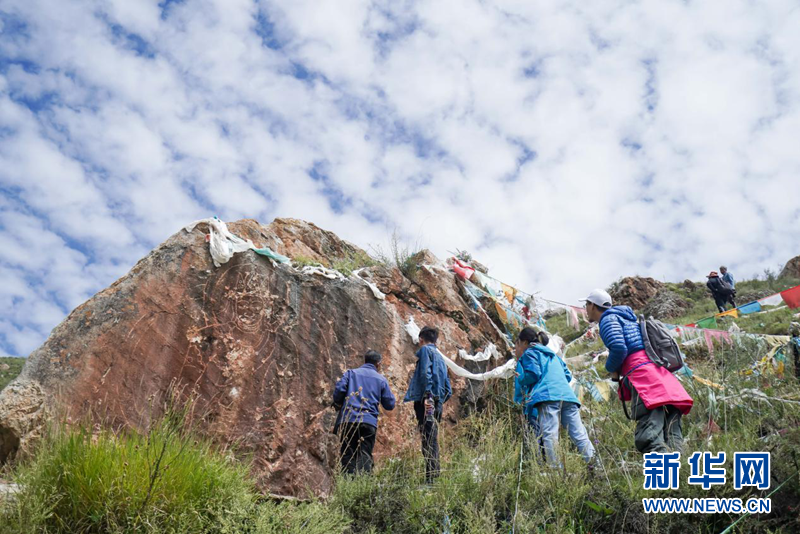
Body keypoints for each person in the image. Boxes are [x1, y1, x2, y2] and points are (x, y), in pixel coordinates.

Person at [583, 289, 693, 454]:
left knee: (650, 436)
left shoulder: (607, 320)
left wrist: (610, 368)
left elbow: (619, 347)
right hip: (660, 376)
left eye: (586, 304)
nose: (585, 308)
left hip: (644, 379)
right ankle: (680, 472)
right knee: (672, 433)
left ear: (592, 305)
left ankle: (661, 475)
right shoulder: (627, 319)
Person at [515, 326, 595, 467]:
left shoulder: (530, 353)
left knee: (550, 435)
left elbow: (533, 374)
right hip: (567, 396)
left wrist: (520, 377)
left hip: (548, 396)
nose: (518, 348)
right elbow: (568, 376)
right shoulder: (553, 355)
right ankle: (596, 465)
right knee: (579, 434)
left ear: (525, 343)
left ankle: (556, 472)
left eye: (518, 343)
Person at [333, 350, 396, 474]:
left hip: (348, 419)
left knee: (348, 454)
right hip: (368, 422)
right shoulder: (381, 379)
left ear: (365, 361)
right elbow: (390, 404)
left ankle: (348, 486)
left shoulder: (351, 373)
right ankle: (363, 485)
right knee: (364, 454)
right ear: (378, 364)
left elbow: (339, 390)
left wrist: (339, 402)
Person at [403, 326, 452, 483]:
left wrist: (428, 397)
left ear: (422, 340)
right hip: (436, 404)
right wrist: (438, 401)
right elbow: (448, 390)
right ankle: (433, 478)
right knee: (432, 438)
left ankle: (431, 480)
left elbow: (425, 373)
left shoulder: (425, 351)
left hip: (427, 401)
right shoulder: (440, 357)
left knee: (427, 439)